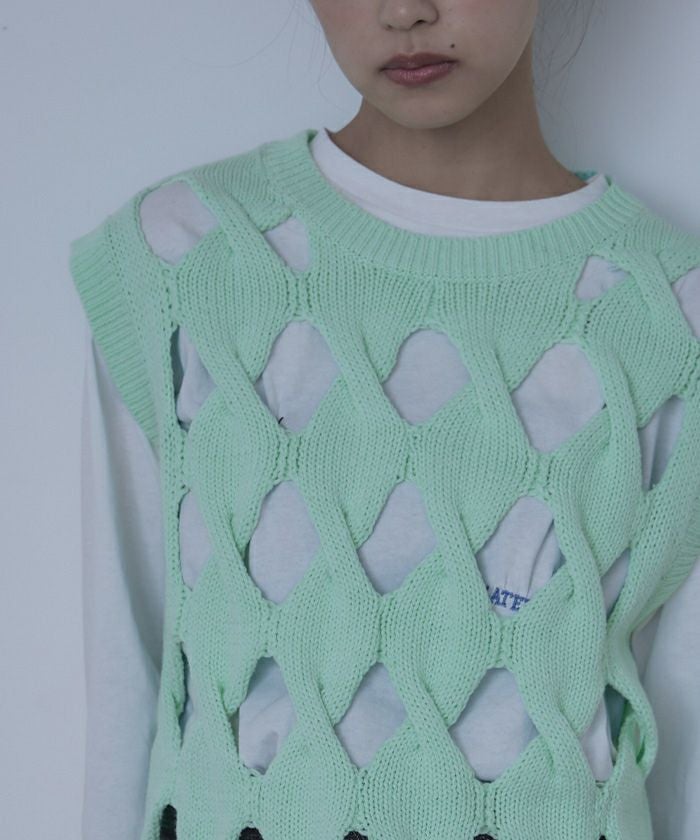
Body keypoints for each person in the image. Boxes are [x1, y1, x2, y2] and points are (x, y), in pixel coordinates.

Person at [69, 1, 700, 839]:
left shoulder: (670, 324)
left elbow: (685, 747)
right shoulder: (184, 263)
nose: (406, 11)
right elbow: (129, 685)